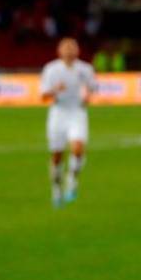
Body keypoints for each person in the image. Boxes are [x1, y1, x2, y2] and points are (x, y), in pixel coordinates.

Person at [39, 38, 97, 208]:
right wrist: (55, 90)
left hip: (77, 112)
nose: (69, 51)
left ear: (77, 51)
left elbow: (92, 88)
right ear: (59, 51)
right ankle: (56, 188)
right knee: (57, 155)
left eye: (73, 48)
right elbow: (43, 96)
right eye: (66, 48)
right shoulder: (51, 69)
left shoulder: (85, 69)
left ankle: (72, 179)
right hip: (58, 113)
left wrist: (87, 95)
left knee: (78, 148)